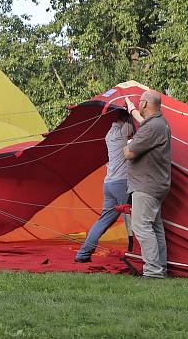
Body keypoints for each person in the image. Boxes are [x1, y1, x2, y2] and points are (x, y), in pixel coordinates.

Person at [123, 90, 172, 278]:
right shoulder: (160, 123)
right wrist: (131, 109)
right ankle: (160, 269)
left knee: (142, 227)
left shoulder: (152, 128)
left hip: (146, 186)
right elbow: (144, 124)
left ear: (145, 104)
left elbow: (129, 153)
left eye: (139, 102)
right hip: (157, 184)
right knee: (155, 228)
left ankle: (152, 272)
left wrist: (126, 142)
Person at [74, 109, 134, 263]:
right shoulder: (125, 130)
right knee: (137, 216)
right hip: (121, 182)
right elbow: (135, 127)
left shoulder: (109, 134)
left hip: (108, 183)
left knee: (103, 220)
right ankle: (137, 252)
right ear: (126, 119)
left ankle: (83, 254)